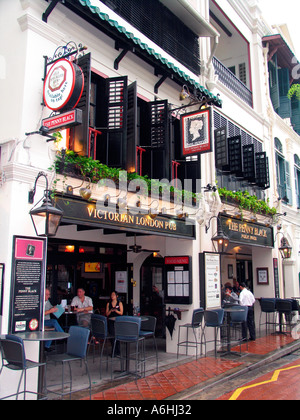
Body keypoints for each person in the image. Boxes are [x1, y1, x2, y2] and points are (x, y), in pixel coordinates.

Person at [106, 291, 123, 356]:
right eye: (111, 295)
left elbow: (121, 313)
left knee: (117, 335)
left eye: (113, 295)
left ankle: (118, 351)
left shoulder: (119, 303)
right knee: (112, 336)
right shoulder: (108, 304)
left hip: (117, 321)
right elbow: (107, 314)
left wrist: (116, 310)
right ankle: (113, 350)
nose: (112, 296)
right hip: (110, 320)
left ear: (116, 296)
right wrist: (111, 310)